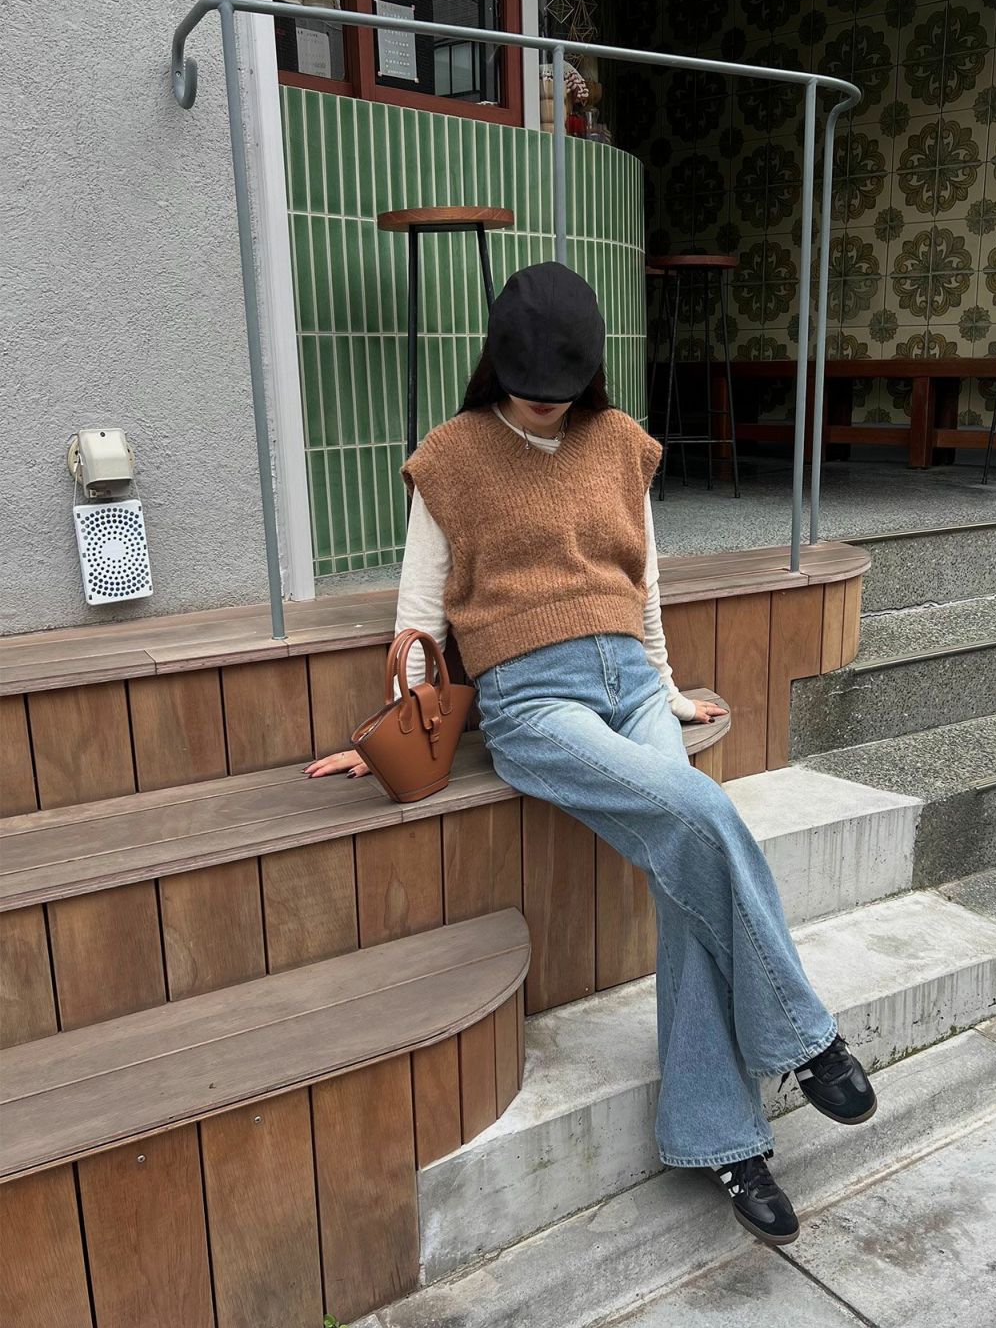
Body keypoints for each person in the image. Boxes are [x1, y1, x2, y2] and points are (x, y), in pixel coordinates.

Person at [306, 260, 876, 1246]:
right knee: (705, 812)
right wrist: (404, 724)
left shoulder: (618, 443)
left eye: (562, 390)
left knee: (687, 878)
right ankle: (803, 1037)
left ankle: (726, 1143)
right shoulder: (450, 457)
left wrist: (665, 687)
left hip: (629, 683)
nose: (547, 404)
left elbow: (641, 590)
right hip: (533, 702)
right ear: (497, 363)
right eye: (531, 388)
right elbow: (418, 616)